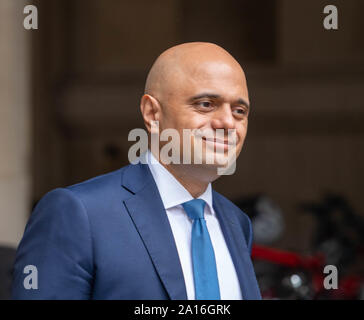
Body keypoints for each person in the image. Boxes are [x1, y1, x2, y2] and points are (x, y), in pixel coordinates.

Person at [12, 42, 261, 300]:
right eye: (206, 104)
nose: (228, 123)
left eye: (239, 111)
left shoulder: (237, 223)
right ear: (153, 113)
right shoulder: (78, 214)